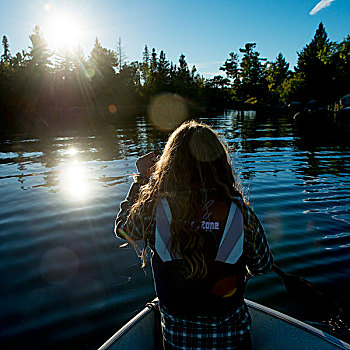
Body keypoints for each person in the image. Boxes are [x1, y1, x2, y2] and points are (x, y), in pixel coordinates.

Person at [115, 120, 273, 350]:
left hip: (178, 342)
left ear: (170, 165)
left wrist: (141, 180)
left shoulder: (152, 207)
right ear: (219, 164)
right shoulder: (240, 213)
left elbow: (123, 230)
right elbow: (262, 266)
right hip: (232, 340)